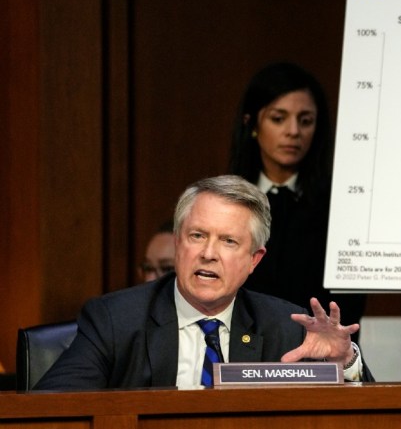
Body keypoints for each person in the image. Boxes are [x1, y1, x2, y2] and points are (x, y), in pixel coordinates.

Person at [35, 175, 373, 390]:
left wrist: (346, 364)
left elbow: (370, 418)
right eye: (197, 236)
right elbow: (50, 411)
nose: (208, 253)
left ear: (254, 260)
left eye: (228, 241)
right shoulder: (115, 321)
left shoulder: (288, 329)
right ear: (179, 242)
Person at [228, 62, 366, 334]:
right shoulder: (228, 202)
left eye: (305, 121)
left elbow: (349, 307)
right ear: (252, 121)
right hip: (244, 352)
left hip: (324, 355)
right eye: (278, 118)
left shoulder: (342, 207)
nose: (293, 131)